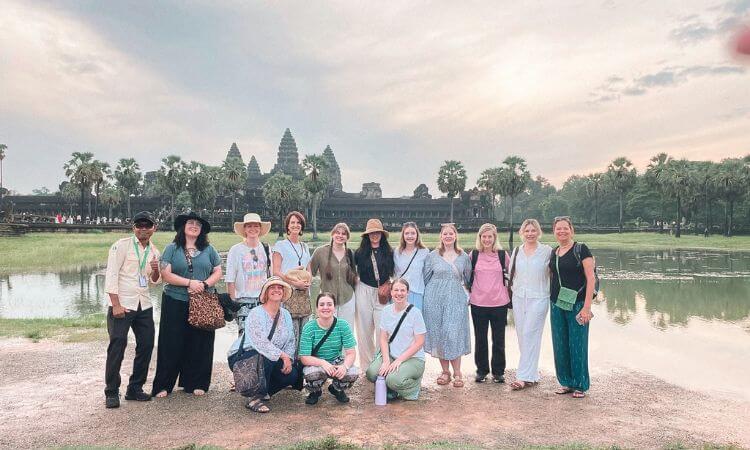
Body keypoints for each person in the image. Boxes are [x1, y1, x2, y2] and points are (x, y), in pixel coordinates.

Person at [151, 211, 223, 398]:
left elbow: (217, 272)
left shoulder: (209, 250)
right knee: (171, 342)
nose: (194, 226)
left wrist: (205, 284)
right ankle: (164, 384)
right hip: (176, 299)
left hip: (203, 299)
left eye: (197, 225)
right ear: (183, 227)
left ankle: (197, 382)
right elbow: (166, 274)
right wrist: (189, 283)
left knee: (201, 342)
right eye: (190, 223)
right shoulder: (172, 248)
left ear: (202, 230)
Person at [103, 211, 161, 408]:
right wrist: (115, 304)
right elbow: (111, 275)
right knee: (117, 346)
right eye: (139, 225)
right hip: (123, 304)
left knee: (146, 345)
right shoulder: (122, 245)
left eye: (147, 225)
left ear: (154, 228)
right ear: (133, 227)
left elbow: (154, 282)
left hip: (143, 304)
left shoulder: (154, 251)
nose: (143, 229)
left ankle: (135, 388)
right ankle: (111, 391)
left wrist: (155, 269)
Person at [227, 277, 300, 413]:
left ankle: (264, 391)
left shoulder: (286, 314)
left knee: (293, 374)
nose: (277, 290)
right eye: (272, 288)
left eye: (280, 288)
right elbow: (260, 343)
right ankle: (253, 398)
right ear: (265, 293)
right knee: (265, 357)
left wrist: (288, 359)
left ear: (283, 293)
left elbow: (291, 340)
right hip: (244, 355)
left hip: (272, 357)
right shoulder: (255, 313)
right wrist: (282, 356)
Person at [549, 216, 595, 399]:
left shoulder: (581, 249)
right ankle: (565, 381)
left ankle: (580, 384)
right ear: (554, 231)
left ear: (571, 229)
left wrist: (587, 307)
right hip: (557, 303)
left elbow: (590, 278)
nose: (562, 232)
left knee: (578, 343)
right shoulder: (554, 252)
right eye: (558, 229)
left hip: (577, 303)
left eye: (565, 228)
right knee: (560, 343)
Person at [422, 223, 471, 387]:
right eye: (445, 234)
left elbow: (468, 279)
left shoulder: (464, 256)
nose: (448, 236)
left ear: (455, 236)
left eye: (451, 234)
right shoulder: (432, 256)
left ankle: (458, 372)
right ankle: (445, 372)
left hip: (456, 298)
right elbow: (426, 278)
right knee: (439, 333)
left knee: (453, 333)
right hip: (434, 299)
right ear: (441, 236)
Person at [509, 219, 553, 390]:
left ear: (538, 232)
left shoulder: (547, 251)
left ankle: (522, 377)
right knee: (522, 335)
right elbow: (512, 272)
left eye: (533, 231)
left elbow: (555, 271)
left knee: (530, 334)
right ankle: (532, 374)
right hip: (519, 297)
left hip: (540, 297)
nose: (530, 234)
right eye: (527, 231)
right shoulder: (517, 250)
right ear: (522, 233)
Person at [365, 278, 426, 401]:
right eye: (396, 290)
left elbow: (420, 342)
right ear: (391, 292)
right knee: (372, 373)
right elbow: (383, 338)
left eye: (403, 290)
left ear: (408, 293)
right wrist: (386, 361)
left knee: (392, 379)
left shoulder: (415, 313)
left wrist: (399, 360)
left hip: (413, 359)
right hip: (392, 355)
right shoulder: (386, 311)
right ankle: (392, 389)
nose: (399, 293)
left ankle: (413, 387)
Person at [467, 223, 511, 384]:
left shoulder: (502, 255)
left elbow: (513, 273)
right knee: (480, 338)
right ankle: (482, 371)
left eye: (489, 236)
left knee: (499, 339)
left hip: (499, 303)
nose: (487, 239)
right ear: (480, 238)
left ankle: (498, 372)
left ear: (494, 238)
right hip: (478, 303)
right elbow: (466, 276)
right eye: (484, 236)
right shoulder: (474, 255)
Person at [299, 292, 359, 405]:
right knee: (311, 373)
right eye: (321, 305)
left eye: (329, 304)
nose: (325, 307)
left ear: (334, 308)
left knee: (353, 372)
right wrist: (322, 363)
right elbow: (304, 358)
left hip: (336, 360)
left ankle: (336, 389)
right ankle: (315, 391)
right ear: (316, 308)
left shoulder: (343, 325)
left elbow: (351, 353)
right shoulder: (309, 327)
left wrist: (344, 367)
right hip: (316, 362)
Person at [354, 218, 395, 369]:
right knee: (364, 329)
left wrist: (389, 284)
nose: (375, 235)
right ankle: (366, 365)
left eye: (377, 232)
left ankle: (380, 362)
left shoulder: (389, 252)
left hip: (382, 292)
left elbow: (394, 273)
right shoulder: (359, 253)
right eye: (371, 233)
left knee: (382, 329)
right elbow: (352, 271)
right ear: (367, 235)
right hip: (364, 289)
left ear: (382, 234)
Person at [226, 213, 273, 334]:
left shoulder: (266, 248)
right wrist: (233, 305)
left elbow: (270, 277)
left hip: (263, 300)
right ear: (245, 229)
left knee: (264, 340)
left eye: (256, 225)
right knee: (245, 341)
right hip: (243, 301)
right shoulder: (236, 250)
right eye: (249, 226)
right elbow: (230, 280)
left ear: (260, 228)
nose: (253, 229)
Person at [272, 211, 312, 344]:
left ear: (302, 226)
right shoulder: (280, 246)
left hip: (304, 294)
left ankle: (302, 362)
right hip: (288, 293)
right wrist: (294, 283)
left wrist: (308, 281)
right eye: (292, 223)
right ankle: (290, 363)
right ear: (287, 226)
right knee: (290, 333)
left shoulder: (305, 247)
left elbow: (309, 269)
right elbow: (276, 271)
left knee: (305, 333)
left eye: (298, 222)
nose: (296, 225)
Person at [310, 223, 358, 326]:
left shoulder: (350, 253)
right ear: (332, 234)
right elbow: (310, 272)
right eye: (338, 232)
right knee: (328, 331)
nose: (340, 236)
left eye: (344, 234)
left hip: (347, 298)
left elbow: (354, 276)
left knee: (346, 330)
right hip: (327, 301)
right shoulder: (320, 252)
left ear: (347, 237)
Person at [393, 222, 429, 311]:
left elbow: (427, 274)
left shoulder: (424, 252)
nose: (410, 236)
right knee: (400, 322)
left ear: (417, 235)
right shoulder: (397, 252)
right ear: (403, 235)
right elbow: (395, 273)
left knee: (415, 322)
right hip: (400, 293)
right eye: (407, 233)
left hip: (417, 293)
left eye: (413, 233)